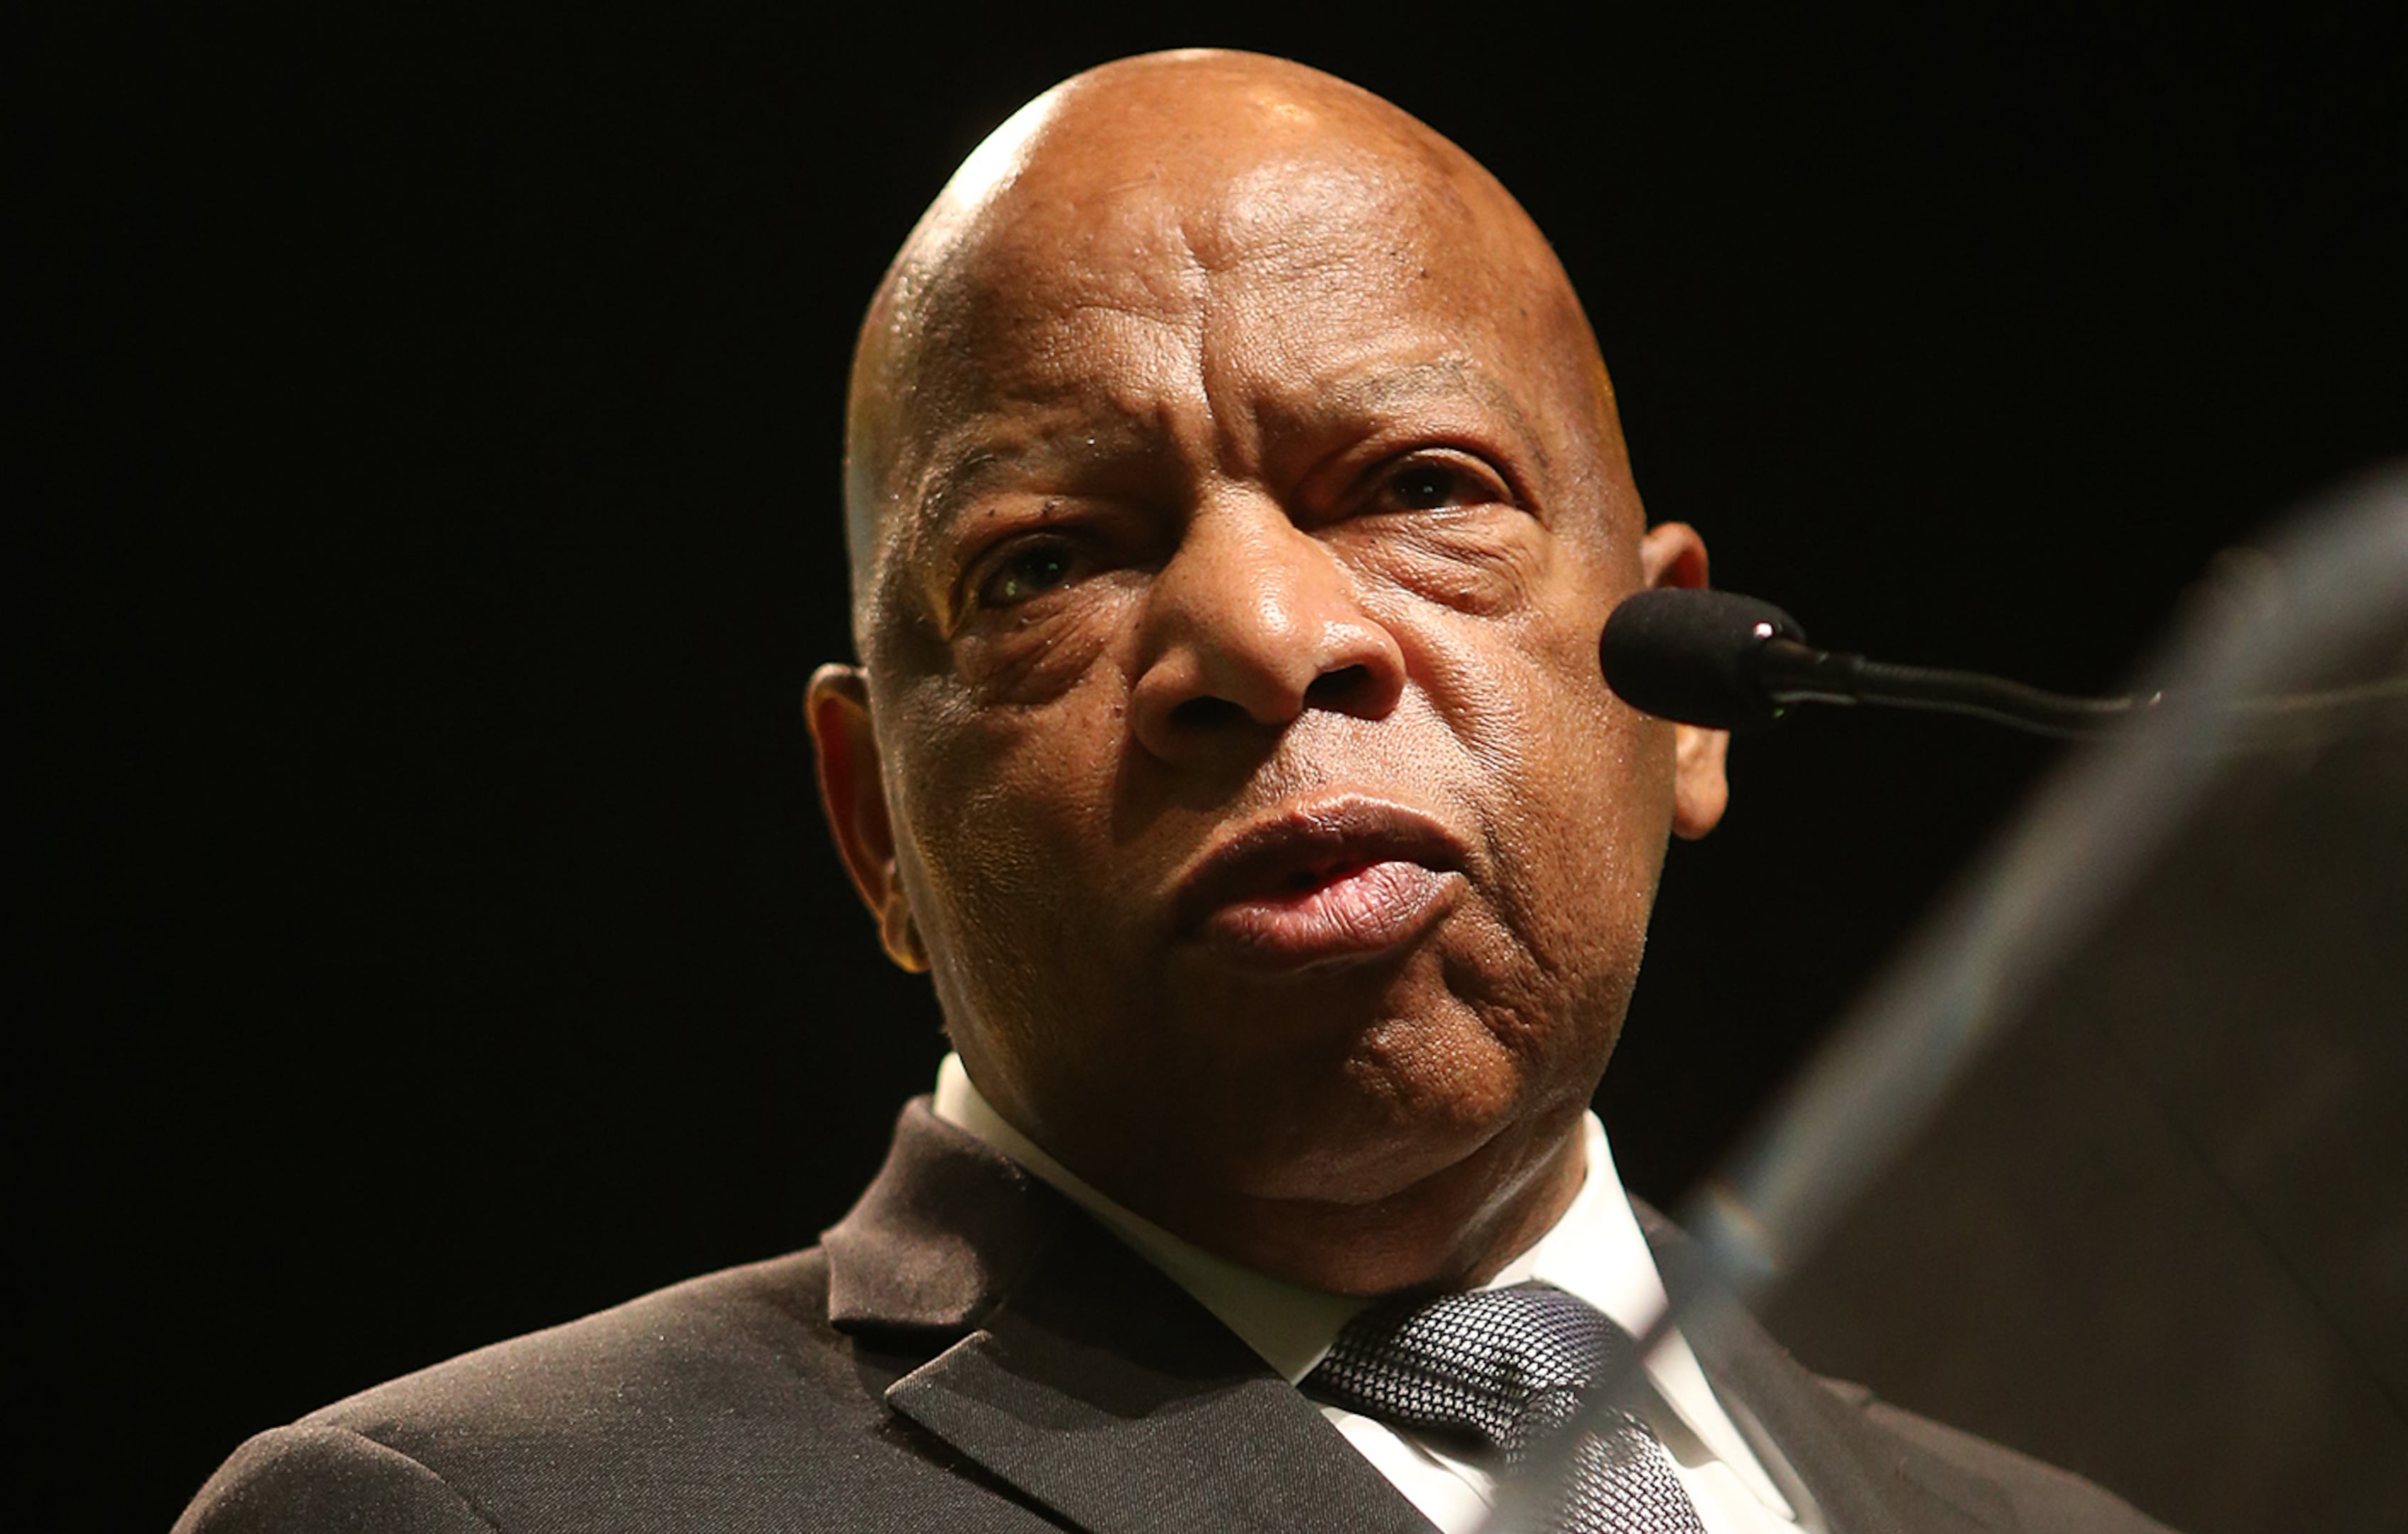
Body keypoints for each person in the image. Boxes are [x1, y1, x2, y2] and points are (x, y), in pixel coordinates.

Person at [178, 50, 2168, 1534]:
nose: (1264, 633)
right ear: (872, 824)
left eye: (1418, 490)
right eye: (1045, 562)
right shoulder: (475, 1518)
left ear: (1684, 698)